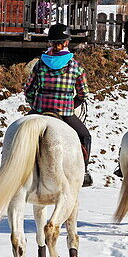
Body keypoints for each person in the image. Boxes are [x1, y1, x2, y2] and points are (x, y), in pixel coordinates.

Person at [24, 23, 93, 187]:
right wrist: (70, 105)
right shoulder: (75, 67)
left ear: (50, 42)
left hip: (40, 110)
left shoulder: (40, 64)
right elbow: (84, 93)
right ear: (66, 42)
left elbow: (28, 90)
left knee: (18, 132)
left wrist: (36, 105)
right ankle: (84, 172)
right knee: (85, 136)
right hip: (65, 113)